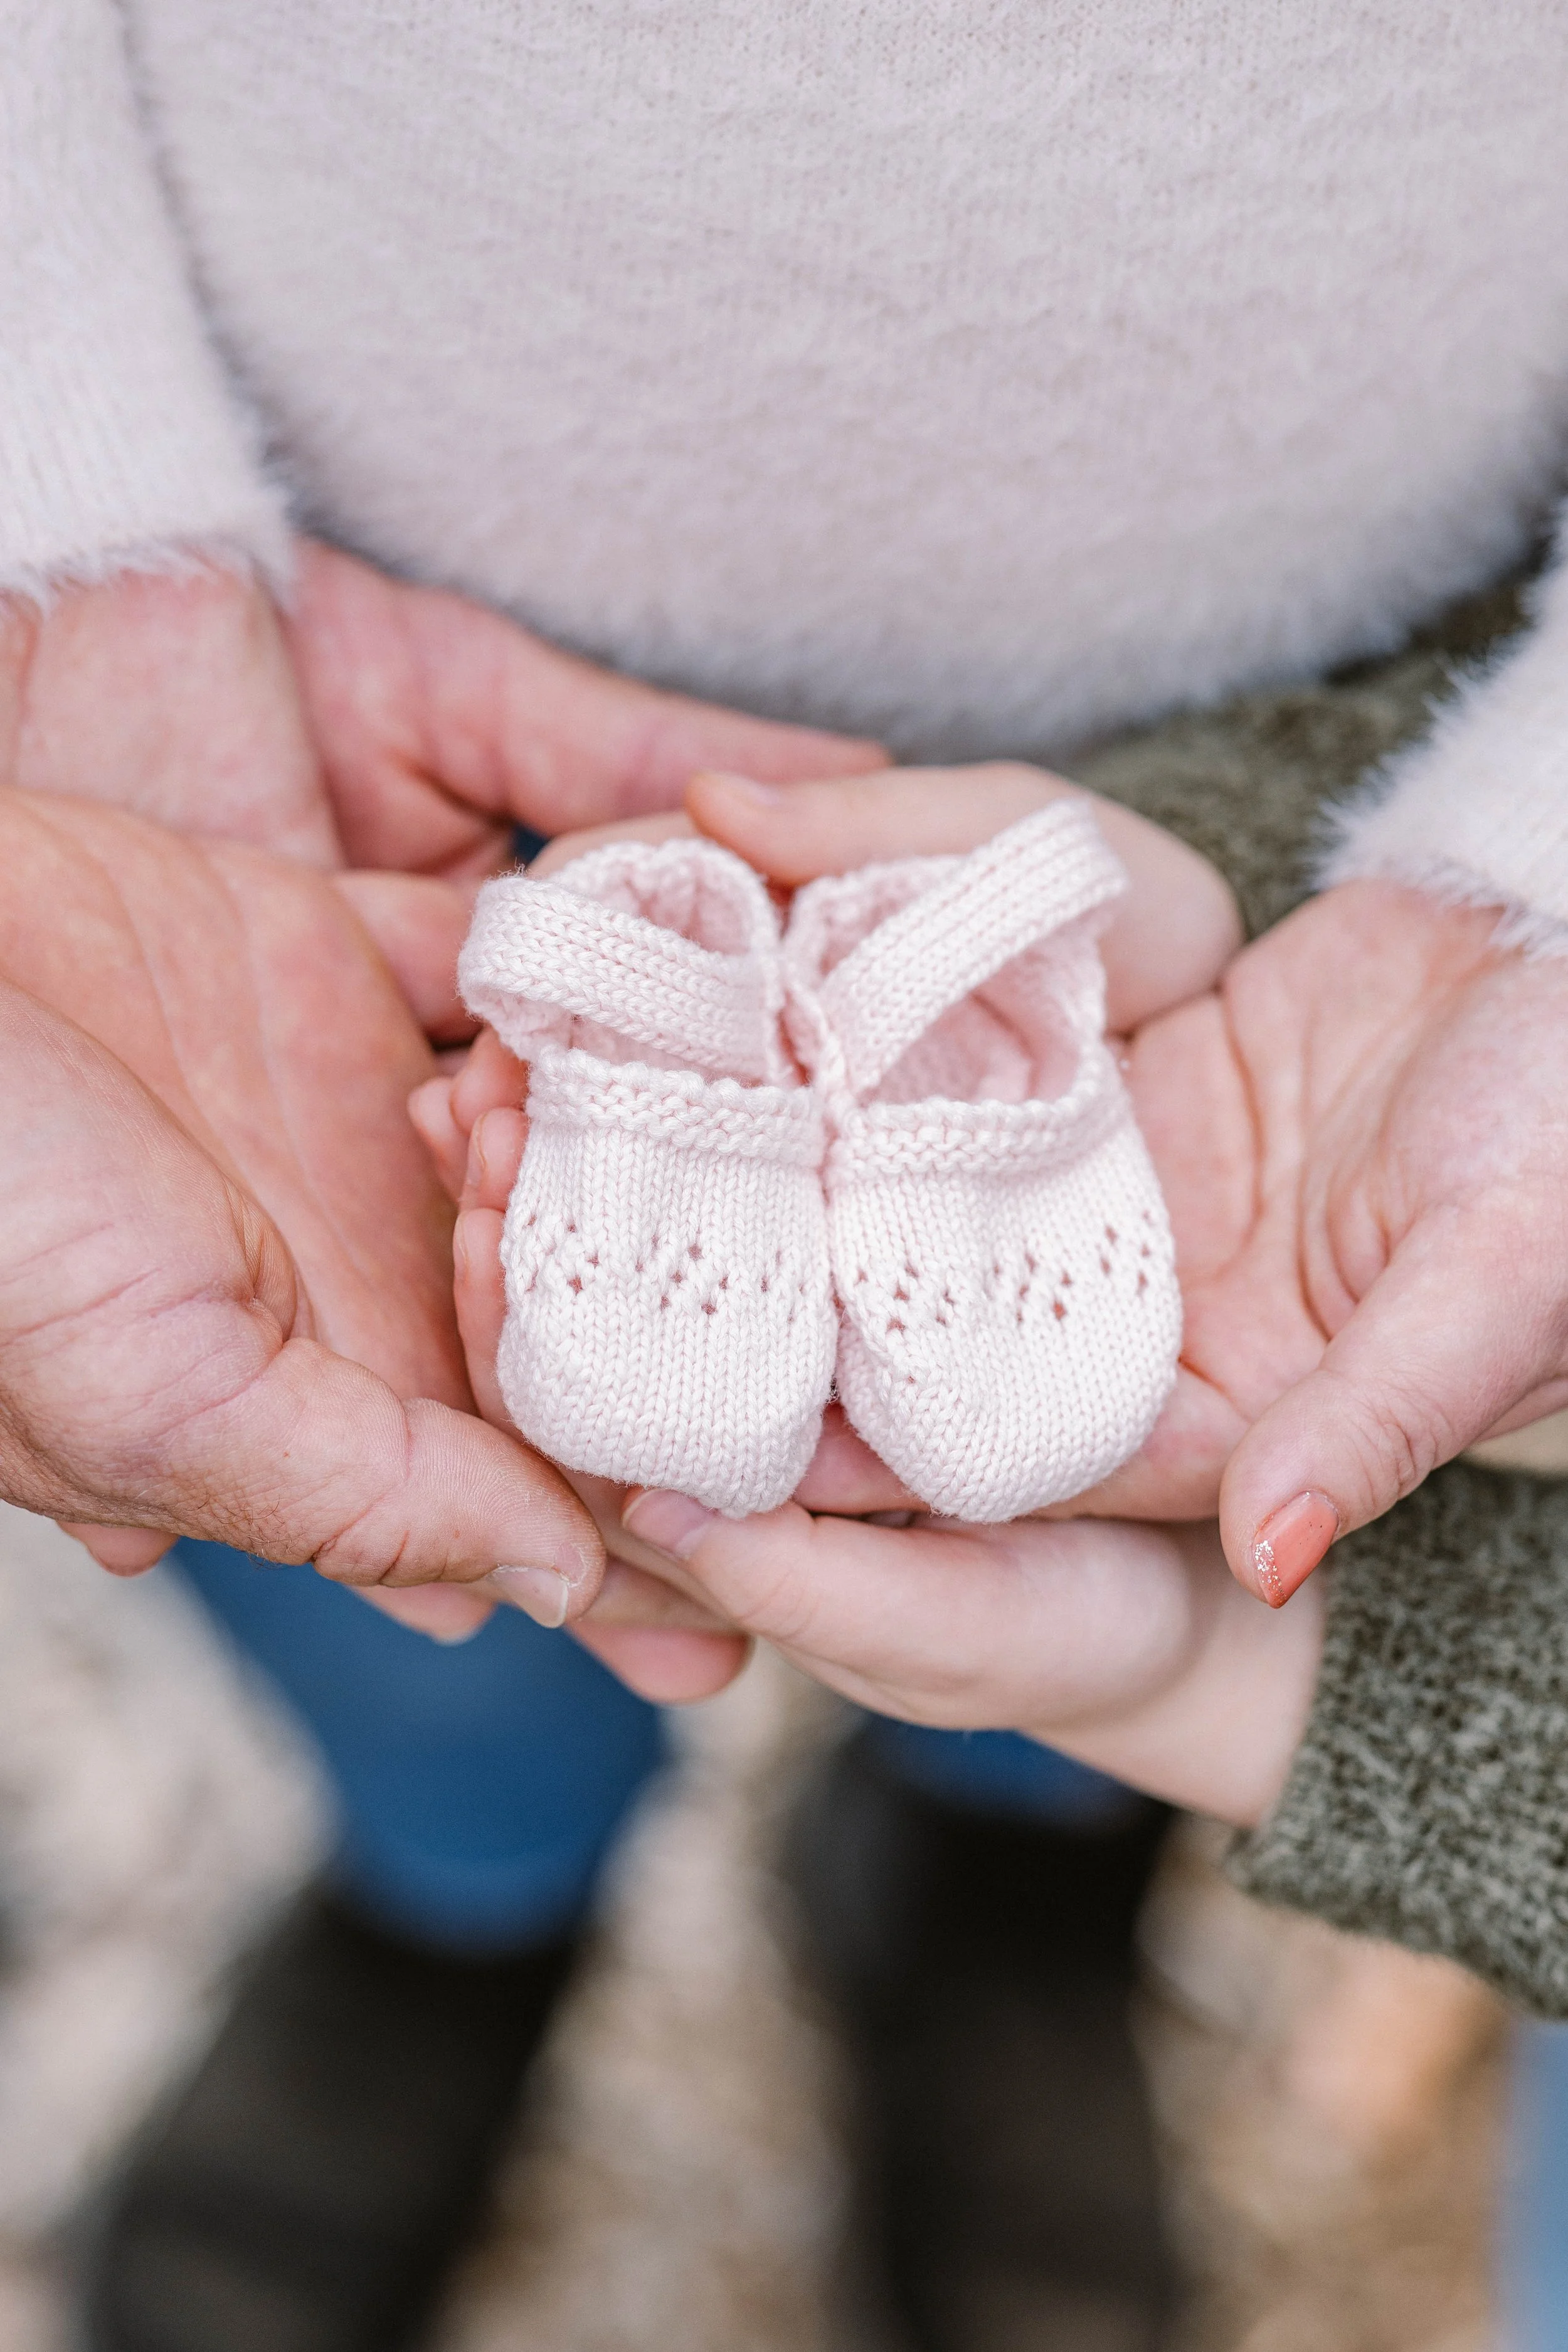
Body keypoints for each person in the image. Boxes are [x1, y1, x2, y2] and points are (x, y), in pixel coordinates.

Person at [8, 3, 1568, 2344]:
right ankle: (457, 1897)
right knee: (360, 1488)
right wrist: (60, 516)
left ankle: (987, 1896)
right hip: (288, 726)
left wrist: (1530, 866)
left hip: (1369, 756)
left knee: (1103, 1491)